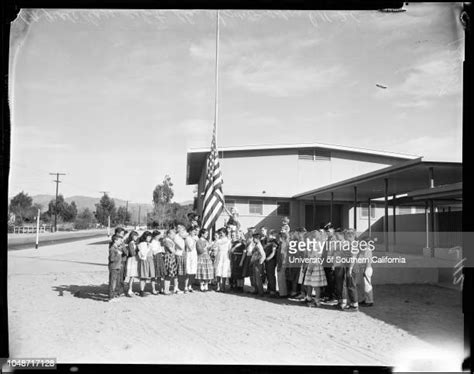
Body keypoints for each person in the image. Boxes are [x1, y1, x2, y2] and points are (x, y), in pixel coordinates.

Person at [334, 229, 359, 311]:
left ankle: (354, 305)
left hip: (352, 267)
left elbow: (353, 258)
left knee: (351, 285)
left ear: (351, 236)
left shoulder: (353, 245)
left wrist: (350, 269)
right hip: (348, 267)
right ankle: (352, 303)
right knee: (349, 285)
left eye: (347, 236)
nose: (345, 237)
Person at [303, 230, 328, 307]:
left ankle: (317, 301)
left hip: (314, 265)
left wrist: (309, 268)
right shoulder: (317, 244)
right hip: (314, 264)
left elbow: (314, 257)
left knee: (315, 285)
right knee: (310, 283)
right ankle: (309, 298)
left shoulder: (316, 245)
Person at [137, 231, 157, 297]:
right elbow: (143, 253)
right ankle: (142, 290)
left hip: (150, 259)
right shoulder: (142, 244)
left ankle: (154, 289)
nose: (149, 238)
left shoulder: (150, 243)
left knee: (152, 275)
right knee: (143, 276)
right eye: (148, 236)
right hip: (145, 260)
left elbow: (154, 251)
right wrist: (148, 247)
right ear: (145, 237)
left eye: (150, 237)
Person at [214, 227, 232, 292]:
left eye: (222, 233)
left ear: (225, 233)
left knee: (224, 271)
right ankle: (218, 286)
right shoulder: (218, 241)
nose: (221, 234)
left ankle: (223, 286)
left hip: (226, 257)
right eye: (220, 233)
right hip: (219, 256)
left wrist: (229, 257)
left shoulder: (228, 240)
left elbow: (230, 250)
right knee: (218, 271)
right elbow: (215, 248)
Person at [108, 234, 124, 302]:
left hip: (117, 267)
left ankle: (114, 295)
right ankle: (111, 297)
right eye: (120, 240)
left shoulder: (117, 248)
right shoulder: (112, 249)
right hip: (114, 267)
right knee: (113, 282)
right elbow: (111, 259)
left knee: (116, 282)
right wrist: (118, 254)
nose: (121, 242)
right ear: (115, 240)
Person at [162, 229, 178, 295]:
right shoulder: (167, 241)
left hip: (171, 257)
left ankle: (166, 289)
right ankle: (166, 290)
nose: (174, 235)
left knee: (170, 275)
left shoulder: (170, 240)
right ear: (168, 234)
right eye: (172, 234)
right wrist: (177, 252)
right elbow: (172, 250)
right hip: (169, 257)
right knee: (168, 274)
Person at [264, 229, 279, 297]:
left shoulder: (274, 242)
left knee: (271, 275)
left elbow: (273, 252)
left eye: (270, 234)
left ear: (273, 235)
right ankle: (269, 289)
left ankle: (273, 290)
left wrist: (268, 259)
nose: (268, 235)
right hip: (267, 260)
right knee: (268, 275)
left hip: (271, 261)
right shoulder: (268, 241)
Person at [124, 230, 139, 297]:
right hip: (132, 260)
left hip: (134, 259)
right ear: (132, 236)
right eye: (135, 236)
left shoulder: (134, 243)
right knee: (132, 276)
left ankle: (130, 289)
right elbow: (132, 253)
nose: (136, 237)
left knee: (132, 276)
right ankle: (129, 290)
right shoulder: (131, 243)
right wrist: (138, 251)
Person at [174, 224, 187, 293]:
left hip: (184, 255)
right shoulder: (176, 236)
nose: (182, 231)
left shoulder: (184, 237)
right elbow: (180, 247)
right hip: (178, 255)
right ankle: (175, 287)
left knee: (183, 272)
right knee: (177, 272)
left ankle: (183, 286)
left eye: (183, 229)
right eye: (180, 229)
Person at [185, 226, 198, 293]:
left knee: (193, 272)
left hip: (194, 255)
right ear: (190, 232)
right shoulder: (187, 238)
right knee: (188, 272)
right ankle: (185, 287)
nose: (194, 232)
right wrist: (194, 242)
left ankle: (190, 286)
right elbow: (190, 248)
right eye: (193, 231)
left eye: (195, 231)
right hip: (189, 255)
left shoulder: (195, 238)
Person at [276, 231, 288, 298]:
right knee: (281, 278)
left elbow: (282, 255)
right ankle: (282, 292)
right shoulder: (282, 244)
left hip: (282, 263)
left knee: (281, 278)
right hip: (282, 262)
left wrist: (280, 265)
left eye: (279, 237)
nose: (278, 238)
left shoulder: (283, 244)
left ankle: (283, 294)